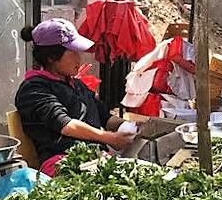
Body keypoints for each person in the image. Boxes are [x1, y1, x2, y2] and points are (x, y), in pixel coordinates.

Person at [15, 18, 135, 176]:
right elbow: (66, 125)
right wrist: (109, 138)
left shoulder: (77, 85)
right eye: (72, 52)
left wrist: (130, 127)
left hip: (96, 159)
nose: (79, 58)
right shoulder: (34, 89)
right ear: (51, 57)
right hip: (63, 163)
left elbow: (104, 116)